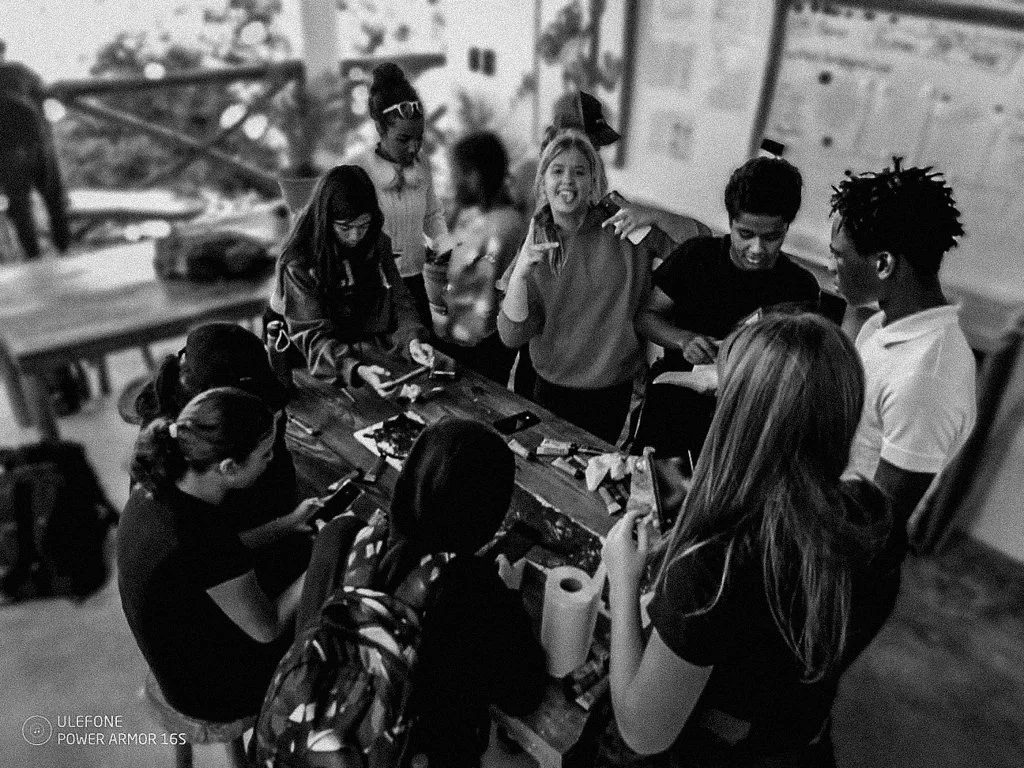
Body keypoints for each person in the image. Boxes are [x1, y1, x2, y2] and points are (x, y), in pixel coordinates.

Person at [603, 313, 904, 766]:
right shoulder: (871, 514)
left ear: (735, 416)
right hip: (801, 744)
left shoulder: (714, 568)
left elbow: (642, 732)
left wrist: (624, 583)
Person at [297, 418, 547, 768]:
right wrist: (509, 596)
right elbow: (524, 694)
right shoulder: (470, 589)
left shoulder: (340, 537)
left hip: (311, 746)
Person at [118, 387, 323, 724]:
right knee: (332, 604)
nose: (270, 460)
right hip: (211, 693)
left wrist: (287, 523)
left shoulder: (159, 485)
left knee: (294, 558)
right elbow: (267, 628)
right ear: (228, 467)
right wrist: (324, 556)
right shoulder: (197, 534)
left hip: (180, 647)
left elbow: (215, 558)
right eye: (265, 454)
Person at [633, 155, 825, 459]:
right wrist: (684, 340)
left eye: (772, 237)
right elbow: (645, 317)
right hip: (674, 404)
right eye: (745, 234)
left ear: (787, 227)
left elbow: (797, 366)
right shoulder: (697, 257)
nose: (757, 249)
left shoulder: (799, 287)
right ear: (730, 222)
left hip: (744, 422)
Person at [497, 129, 675, 443]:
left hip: (611, 391)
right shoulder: (536, 240)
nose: (568, 180)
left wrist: (655, 215)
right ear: (543, 182)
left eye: (579, 172)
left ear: (593, 182)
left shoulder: (623, 227)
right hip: (548, 390)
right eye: (557, 170)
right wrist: (521, 273)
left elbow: (693, 258)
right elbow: (512, 336)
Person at [829, 158, 976, 530]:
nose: (831, 266)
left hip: (849, 546)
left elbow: (879, 523)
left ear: (883, 264)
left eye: (838, 254)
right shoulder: (883, 323)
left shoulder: (926, 379)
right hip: (830, 507)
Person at [269, 164, 434, 397]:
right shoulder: (298, 261)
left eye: (363, 226)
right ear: (326, 220)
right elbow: (312, 336)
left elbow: (398, 299)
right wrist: (355, 369)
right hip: (302, 347)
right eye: (345, 227)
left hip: (349, 334)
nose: (356, 236)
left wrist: (412, 340)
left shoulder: (376, 242)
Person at [349, 62, 448, 328]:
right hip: (375, 286)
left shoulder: (422, 164)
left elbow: (432, 214)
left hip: (416, 282)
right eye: (404, 139)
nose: (414, 147)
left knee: (425, 349)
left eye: (419, 137)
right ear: (381, 129)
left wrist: (445, 245)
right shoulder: (357, 170)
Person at [437, 130, 528, 385]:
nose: (452, 183)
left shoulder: (497, 226)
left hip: (477, 343)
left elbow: (463, 282)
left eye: (456, 175)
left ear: (474, 177)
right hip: (485, 339)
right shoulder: (499, 217)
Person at [0, 39, 70, 259]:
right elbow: (46, 93)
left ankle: (37, 255)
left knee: (23, 205)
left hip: (17, 147)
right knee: (50, 200)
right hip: (32, 143)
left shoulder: (20, 72)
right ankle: (61, 249)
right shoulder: (20, 72)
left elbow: (46, 93)